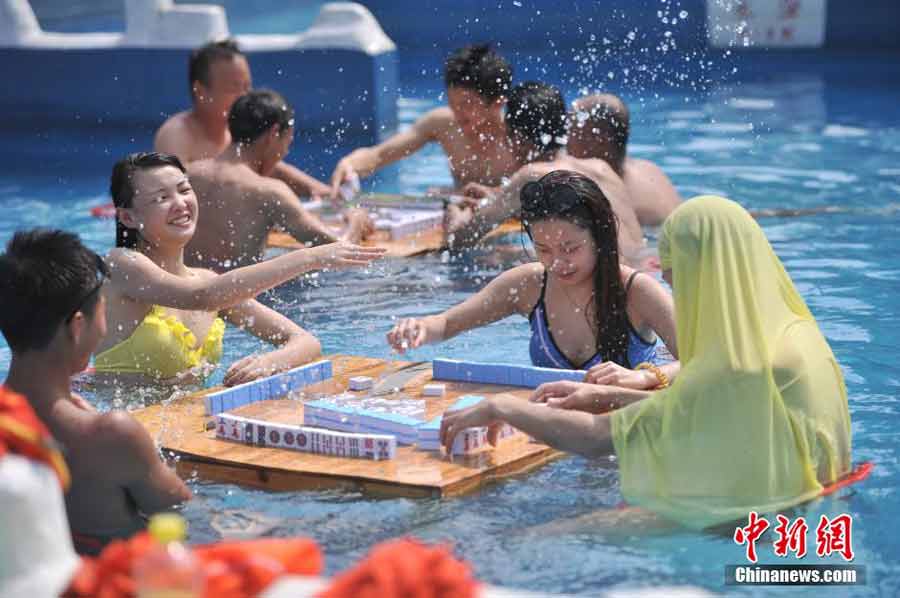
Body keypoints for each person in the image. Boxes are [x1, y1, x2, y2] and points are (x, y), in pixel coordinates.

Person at [440, 196, 852, 530]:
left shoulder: (737, 365)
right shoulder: (794, 332)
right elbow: (703, 408)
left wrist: (503, 407)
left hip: (755, 516)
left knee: (536, 536)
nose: (680, 296)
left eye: (679, 282)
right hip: (817, 504)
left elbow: (600, 437)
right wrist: (607, 395)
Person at [95, 152, 384, 385]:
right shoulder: (121, 264)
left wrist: (268, 362)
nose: (180, 204)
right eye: (161, 198)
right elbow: (202, 296)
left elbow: (306, 342)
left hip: (187, 425)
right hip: (125, 427)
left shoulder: (209, 280)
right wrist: (309, 258)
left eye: (184, 190)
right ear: (127, 218)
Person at [388, 170, 677, 389]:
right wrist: (419, 328)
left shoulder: (637, 292)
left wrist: (644, 377)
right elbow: (447, 324)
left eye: (570, 248)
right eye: (543, 249)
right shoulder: (528, 285)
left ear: (599, 237)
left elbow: (699, 363)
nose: (557, 262)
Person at [0, 229, 192, 554]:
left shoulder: (10, 426)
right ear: (78, 326)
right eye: (103, 307)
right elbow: (184, 512)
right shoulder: (109, 435)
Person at [444, 82, 643, 261]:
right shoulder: (601, 167)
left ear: (517, 139)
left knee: (491, 259)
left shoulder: (532, 175)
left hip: (602, 284)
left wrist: (454, 214)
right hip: (641, 273)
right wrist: (498, 199)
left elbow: (460, 239)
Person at [185, 90, 373, 271]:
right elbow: (340, 250)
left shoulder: (186, 174)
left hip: (185, 288)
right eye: (287, 143)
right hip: (238, 291)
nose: (285, 152)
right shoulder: (269, 192)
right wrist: (356, 220)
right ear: (274, 133)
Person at [329, 44, 519, 195]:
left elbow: (533, 187)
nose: (457, 113)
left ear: (498, 103)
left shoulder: (519, 135)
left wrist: (483, 194)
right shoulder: (443, 124)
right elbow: (379, 155)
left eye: (467, 105)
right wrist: (350, 165)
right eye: (452, 103)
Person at [154, 39, 330, 198]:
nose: (245, 97)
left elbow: (270, 166)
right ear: (200, 91)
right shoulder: (176, 135)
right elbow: (176, 197)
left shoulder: (237, 128)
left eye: (247, 87)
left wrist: (318, 190)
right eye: (234, 88)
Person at [568, 93, 681, 226]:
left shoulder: (611, 193)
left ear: (599, 140)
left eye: (571, 130)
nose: (565, 139)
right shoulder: (649, 168)